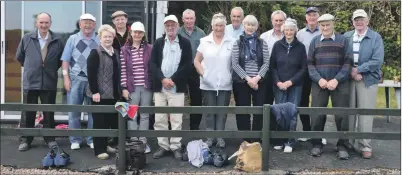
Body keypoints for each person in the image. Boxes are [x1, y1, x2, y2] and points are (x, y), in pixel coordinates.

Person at [16, 12, 64, 151]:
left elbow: (60, 61)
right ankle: (26, 140)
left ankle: (50, 139)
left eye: (46, 22)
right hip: (31, 81)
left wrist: (47, 69)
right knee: (28, 113)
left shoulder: (57, 40)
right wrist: (33, 68)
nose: (44, 25)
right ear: (36, 23)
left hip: (49, 81)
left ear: (50, 23)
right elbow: (20, 57)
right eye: (41, 22)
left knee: (49, 113)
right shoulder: (27, 38)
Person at [308, 14, 352, 160]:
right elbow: (309, 64)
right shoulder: (314, 41)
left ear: (333, 24)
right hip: (319, 84)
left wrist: (337, 79)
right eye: (322, 25)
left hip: (339, 83)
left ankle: (342, 146)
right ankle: (316, 144)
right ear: (319, 26)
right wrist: (319, 79)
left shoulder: (343, 40)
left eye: (327, 25)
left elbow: (348, 62)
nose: (325, 28)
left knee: (341, 115)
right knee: (317, 114)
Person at [149, 15, 192, 160]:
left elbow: (187, 65)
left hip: (176, 87)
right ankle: (163, 146)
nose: (170, 27)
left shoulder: (185, 43)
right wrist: (162, 79)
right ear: (164, 27)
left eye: (173, 25)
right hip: (160, 88)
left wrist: (172, 80)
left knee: (176, 119)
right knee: (159, 118)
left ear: (178, 26)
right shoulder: (158, 43)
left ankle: (175, 146)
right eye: (167, 25)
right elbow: (153, 64)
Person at [344, 9, 384, 159]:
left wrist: (360, 70)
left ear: (367, 21)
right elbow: (341, 57)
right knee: (349, 112)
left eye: (361, 19)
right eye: (356, 19)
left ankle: (365, 145)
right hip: (349, 78)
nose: (359, 22)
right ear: (353, 21)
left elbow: (377, 60)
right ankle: (349, 143)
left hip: (367, 80)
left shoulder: (375, 37)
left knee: (365, 113)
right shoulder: (346, 36)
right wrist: (351, 71)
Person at [194, 13, 234, 148]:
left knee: (222, 113)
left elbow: (235, 62)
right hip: (208, 83)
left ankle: (220, 137)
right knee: (210, 112)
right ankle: (210, 137)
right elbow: (196, 61)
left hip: (225, 83)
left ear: (225, 26)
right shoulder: (204, 41)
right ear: (212, 26)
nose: (219, 28)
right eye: (216, 25)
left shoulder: (232, 41)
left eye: (221, 25)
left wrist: (230, 75)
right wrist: (203, 75)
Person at [61, 13, 100, 150]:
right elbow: (65, 60)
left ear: (94, 25)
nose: (88, 25)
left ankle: (91, 139)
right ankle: (75, 139)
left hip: (93, 81)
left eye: (90, 22)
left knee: (93, 113)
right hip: (75, 80)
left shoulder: (99, 39)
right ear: (80, 24)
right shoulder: (72, 39)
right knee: (74, 111)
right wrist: (66, 78)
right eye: (85, 22)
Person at [231, 15, 270, 144]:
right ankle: (246, 138)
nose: (250, 27)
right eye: (248, 24)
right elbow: (235, 64)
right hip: (242, 82)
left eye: (253, 25)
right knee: (243, 110)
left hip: (260, 82)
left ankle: (257, 138)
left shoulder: (262, 43)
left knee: (259, 110)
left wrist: (257, 78)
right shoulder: (237, 43)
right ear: (244, 25)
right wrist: (248, 79)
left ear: (256, 27)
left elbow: (266, 63)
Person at [270, 18, 307, 153]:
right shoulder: (277, 45)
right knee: (280, 112)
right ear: (283, 30)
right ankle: (280, 140)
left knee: (292, 113)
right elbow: (272, 66)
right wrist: (278, 82)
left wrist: (290, 82)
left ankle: (290, 141)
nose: (289, 32)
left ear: (295, 31)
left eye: (291, 29)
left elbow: (304, 69)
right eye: (287, 29)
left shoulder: (301, 47)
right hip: (279, 85)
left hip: (295, 85)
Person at [86, 24, 121, 159]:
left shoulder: (116, 52)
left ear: (113, 37)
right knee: (99, 122)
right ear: (100, 38)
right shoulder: (95, 53)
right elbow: (91, 74)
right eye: (105, 36)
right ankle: (99, 150)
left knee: (109, 121)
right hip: (99, 94)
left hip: (113, 93)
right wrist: (95, 91)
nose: (107, 39)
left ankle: (106, 145)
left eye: (110, 36)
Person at [120, 21, 153, 154]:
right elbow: (123, 70)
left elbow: (152, 68)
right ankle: (134, 141)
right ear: (131, 33)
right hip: (131, 88)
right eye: (135, 32)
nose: (137, 34)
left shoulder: (150, 48)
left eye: (140, 32)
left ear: (143, 34)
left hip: (146, 87)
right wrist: (124, 88)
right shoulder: (124, 49)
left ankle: (143, 142)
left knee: (145, 115)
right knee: (132, 114)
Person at [296, 7, 322, 143]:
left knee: (319, 103)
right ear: (306, 18)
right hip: (304, 73)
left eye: (314, 15)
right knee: (303, 102)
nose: (312, 17)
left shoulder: (323, 31)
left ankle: (319, 133)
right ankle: (306, 130)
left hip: (320, 73)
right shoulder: (300, 34)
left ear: (318, 17)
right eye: (309, 15)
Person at [177, 9, 206, 130]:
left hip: (195, 70)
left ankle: (194, 127)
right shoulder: (177, 33)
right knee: (177, 98)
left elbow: (205, 53)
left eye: (191, 18)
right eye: (186, 18)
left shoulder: (201, 34)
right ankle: (176, 127)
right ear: (182, 19)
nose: (189, 21)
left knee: (197, 99)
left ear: (194, 19)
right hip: (180, 70)